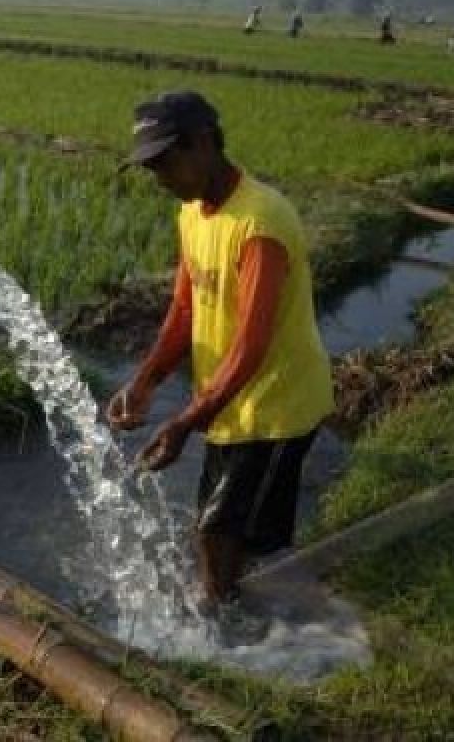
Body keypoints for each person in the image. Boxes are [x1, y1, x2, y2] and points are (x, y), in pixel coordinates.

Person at [109, 91, 334, 613]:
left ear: (204, 143)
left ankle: (235, 632)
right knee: (222, 529)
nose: (159, 177)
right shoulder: (192, 214)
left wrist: (184, 423)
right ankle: (234, 613)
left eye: (165, 161)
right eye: (150, 167)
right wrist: (146, 380)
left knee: (221, 531)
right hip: (228, 403)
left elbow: (251, 345)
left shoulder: (261, 222)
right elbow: (186, 308)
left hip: (277, 405)